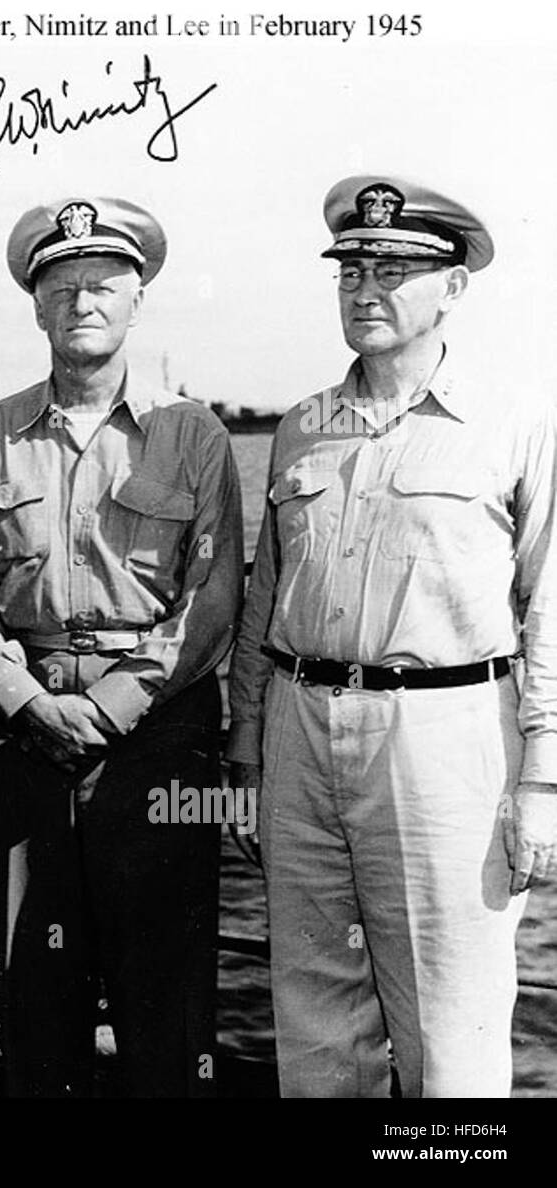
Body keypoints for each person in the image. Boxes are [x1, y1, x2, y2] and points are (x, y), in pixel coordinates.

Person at [227, 175, 557, 1097]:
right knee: (315, 1023)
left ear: (453, 287)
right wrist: (245, 755)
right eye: (352, 269)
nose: (365, 288)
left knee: (450, 1030)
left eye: (396, 269)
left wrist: (544, 778)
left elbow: (552, 612)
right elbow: (264, 602)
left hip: (443, 742)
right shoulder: (301, 430)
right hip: (300, 735)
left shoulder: (516, 423)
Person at [0, 198, 244, 1097]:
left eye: (104, 284)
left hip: (158, 740)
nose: (83, 301)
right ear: (36, 307)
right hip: (27, 737)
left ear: (137, 300)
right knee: (36, 990)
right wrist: (30, 701)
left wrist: (113, 702)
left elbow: (213, 596)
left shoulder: (195, 437)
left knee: (167, 994)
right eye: (61, 285)